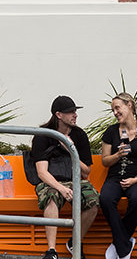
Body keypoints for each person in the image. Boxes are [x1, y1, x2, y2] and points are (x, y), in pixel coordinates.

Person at [30, 95, 99, 259]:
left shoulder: (79, 135)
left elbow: (86, 172)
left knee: (94, 200)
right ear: (58, 115)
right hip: (51, 181)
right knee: (51, 197)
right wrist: (61, 188)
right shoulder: (43, 135)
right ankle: (52, 250)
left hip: (76, 180)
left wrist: (70, 149)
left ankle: (75, 242)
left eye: (75, 111)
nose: (75, 115)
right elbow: (42, 172)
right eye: (71, 112)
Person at [99, 93, 137, 259]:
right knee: (105, 199)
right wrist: (117, 155)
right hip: (115, 178)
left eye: (118, 107)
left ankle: (118, 244)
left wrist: (135, 179)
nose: (115, 112)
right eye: (113, 110)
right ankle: (124, 248)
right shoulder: (111, 132)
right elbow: (105, 161)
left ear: (129, 105)